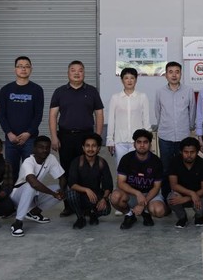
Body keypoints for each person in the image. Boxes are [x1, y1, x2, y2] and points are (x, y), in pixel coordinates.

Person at [48, 60, 104, 216]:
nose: (77, 73)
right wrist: (54, 137)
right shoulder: (60, 92)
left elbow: (99, 114)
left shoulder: (92, 91)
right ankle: (68, 205)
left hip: (87, 137)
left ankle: (89, 204)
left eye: (80, 70)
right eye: (73, 70)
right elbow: (53, 116)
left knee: (88, 171)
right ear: (68, 73)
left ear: (84, 73)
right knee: (66, 172)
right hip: (65, 136)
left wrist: (97, 138)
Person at [9, 135, 65, 237]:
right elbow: (33, 183)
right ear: (34, 148)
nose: (44, 150)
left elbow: (62, 178)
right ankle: (17, 223)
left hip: (34, 194)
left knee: (63, 189)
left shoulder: (51, 158)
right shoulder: (28, 162)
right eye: (41, 147)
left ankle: (33, 212)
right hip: (18, 196)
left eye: (47, 147)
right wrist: (53, 194)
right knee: (30, 186)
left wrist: (61, 191)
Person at [154, 61, 196, 199]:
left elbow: (192, 111)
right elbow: (158, 112)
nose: (174, 75)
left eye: (177, 72)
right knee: (166, 168)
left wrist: (190, 127)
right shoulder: (160, 92)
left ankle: (182, 197)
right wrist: (162, 126)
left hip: (183, 137)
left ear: (181, 74)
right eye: (170, 72)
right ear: (166, 75)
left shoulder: (188, 90)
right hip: (165, 136)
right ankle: (166, 197)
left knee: (183, 167)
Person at [0, 56, 44, 179]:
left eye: (27, 66)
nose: (23, 69)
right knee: (10, 173)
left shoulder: (37, 90)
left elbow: (38, 115)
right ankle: (12, 192)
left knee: (30, 173)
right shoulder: (6, 90)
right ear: (15, 69)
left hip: (30, 140)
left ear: (31, 69)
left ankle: (29, 192)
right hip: (11, 139)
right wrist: (9, 133)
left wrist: (28, 133)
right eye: (20, 66)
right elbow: (1, 115)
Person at [110, 129, 166, 229]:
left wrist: (143, 203)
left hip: (149, 195)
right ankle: (129, 214)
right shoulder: (126, 159)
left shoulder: (156, 161)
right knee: (115, 197)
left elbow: (156, 187)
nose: (142, 145)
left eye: (145, 142)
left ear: (150, 145)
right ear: (134, 144)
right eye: (139, 142)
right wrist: (138, 193)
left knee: (159, 211)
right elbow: (121, 183)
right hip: (131, 194)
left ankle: (145, 212)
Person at [65, 133, 113, 229]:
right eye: (87, 146)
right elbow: (72, 184)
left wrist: (104, 199)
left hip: (95, 196)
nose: (90, 149)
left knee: (106, 209)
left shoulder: (102, 162)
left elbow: (108, 185)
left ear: (98, 148)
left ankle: (93, 214)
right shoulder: (76, 162)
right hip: (79, 196)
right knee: (70, 193)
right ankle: (80, 217)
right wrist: (86, 190)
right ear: (83, 148)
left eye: (94, 146)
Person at [106, 67, 150, 172]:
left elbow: (146, 119)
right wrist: (110, 140)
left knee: (138, 170)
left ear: (136, 80)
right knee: (122, 170)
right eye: (126, 78)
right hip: (120, 141)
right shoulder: (115, 98)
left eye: (132, 78)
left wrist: (148, 139)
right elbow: (111, 120)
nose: (129, 81)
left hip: (138, 141)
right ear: (122, 80)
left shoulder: (142, 97)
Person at [167, 137, 203, 228]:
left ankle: (199, 216)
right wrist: (191, 193)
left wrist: (188, 198)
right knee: (171, 199)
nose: (189, 155)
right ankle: (182, 217)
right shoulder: (174, 162)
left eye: (192, 152)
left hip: (199, 195)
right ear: (181, 152)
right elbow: (173, 185)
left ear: (197, 152)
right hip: (181, 193)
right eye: (186, 152)